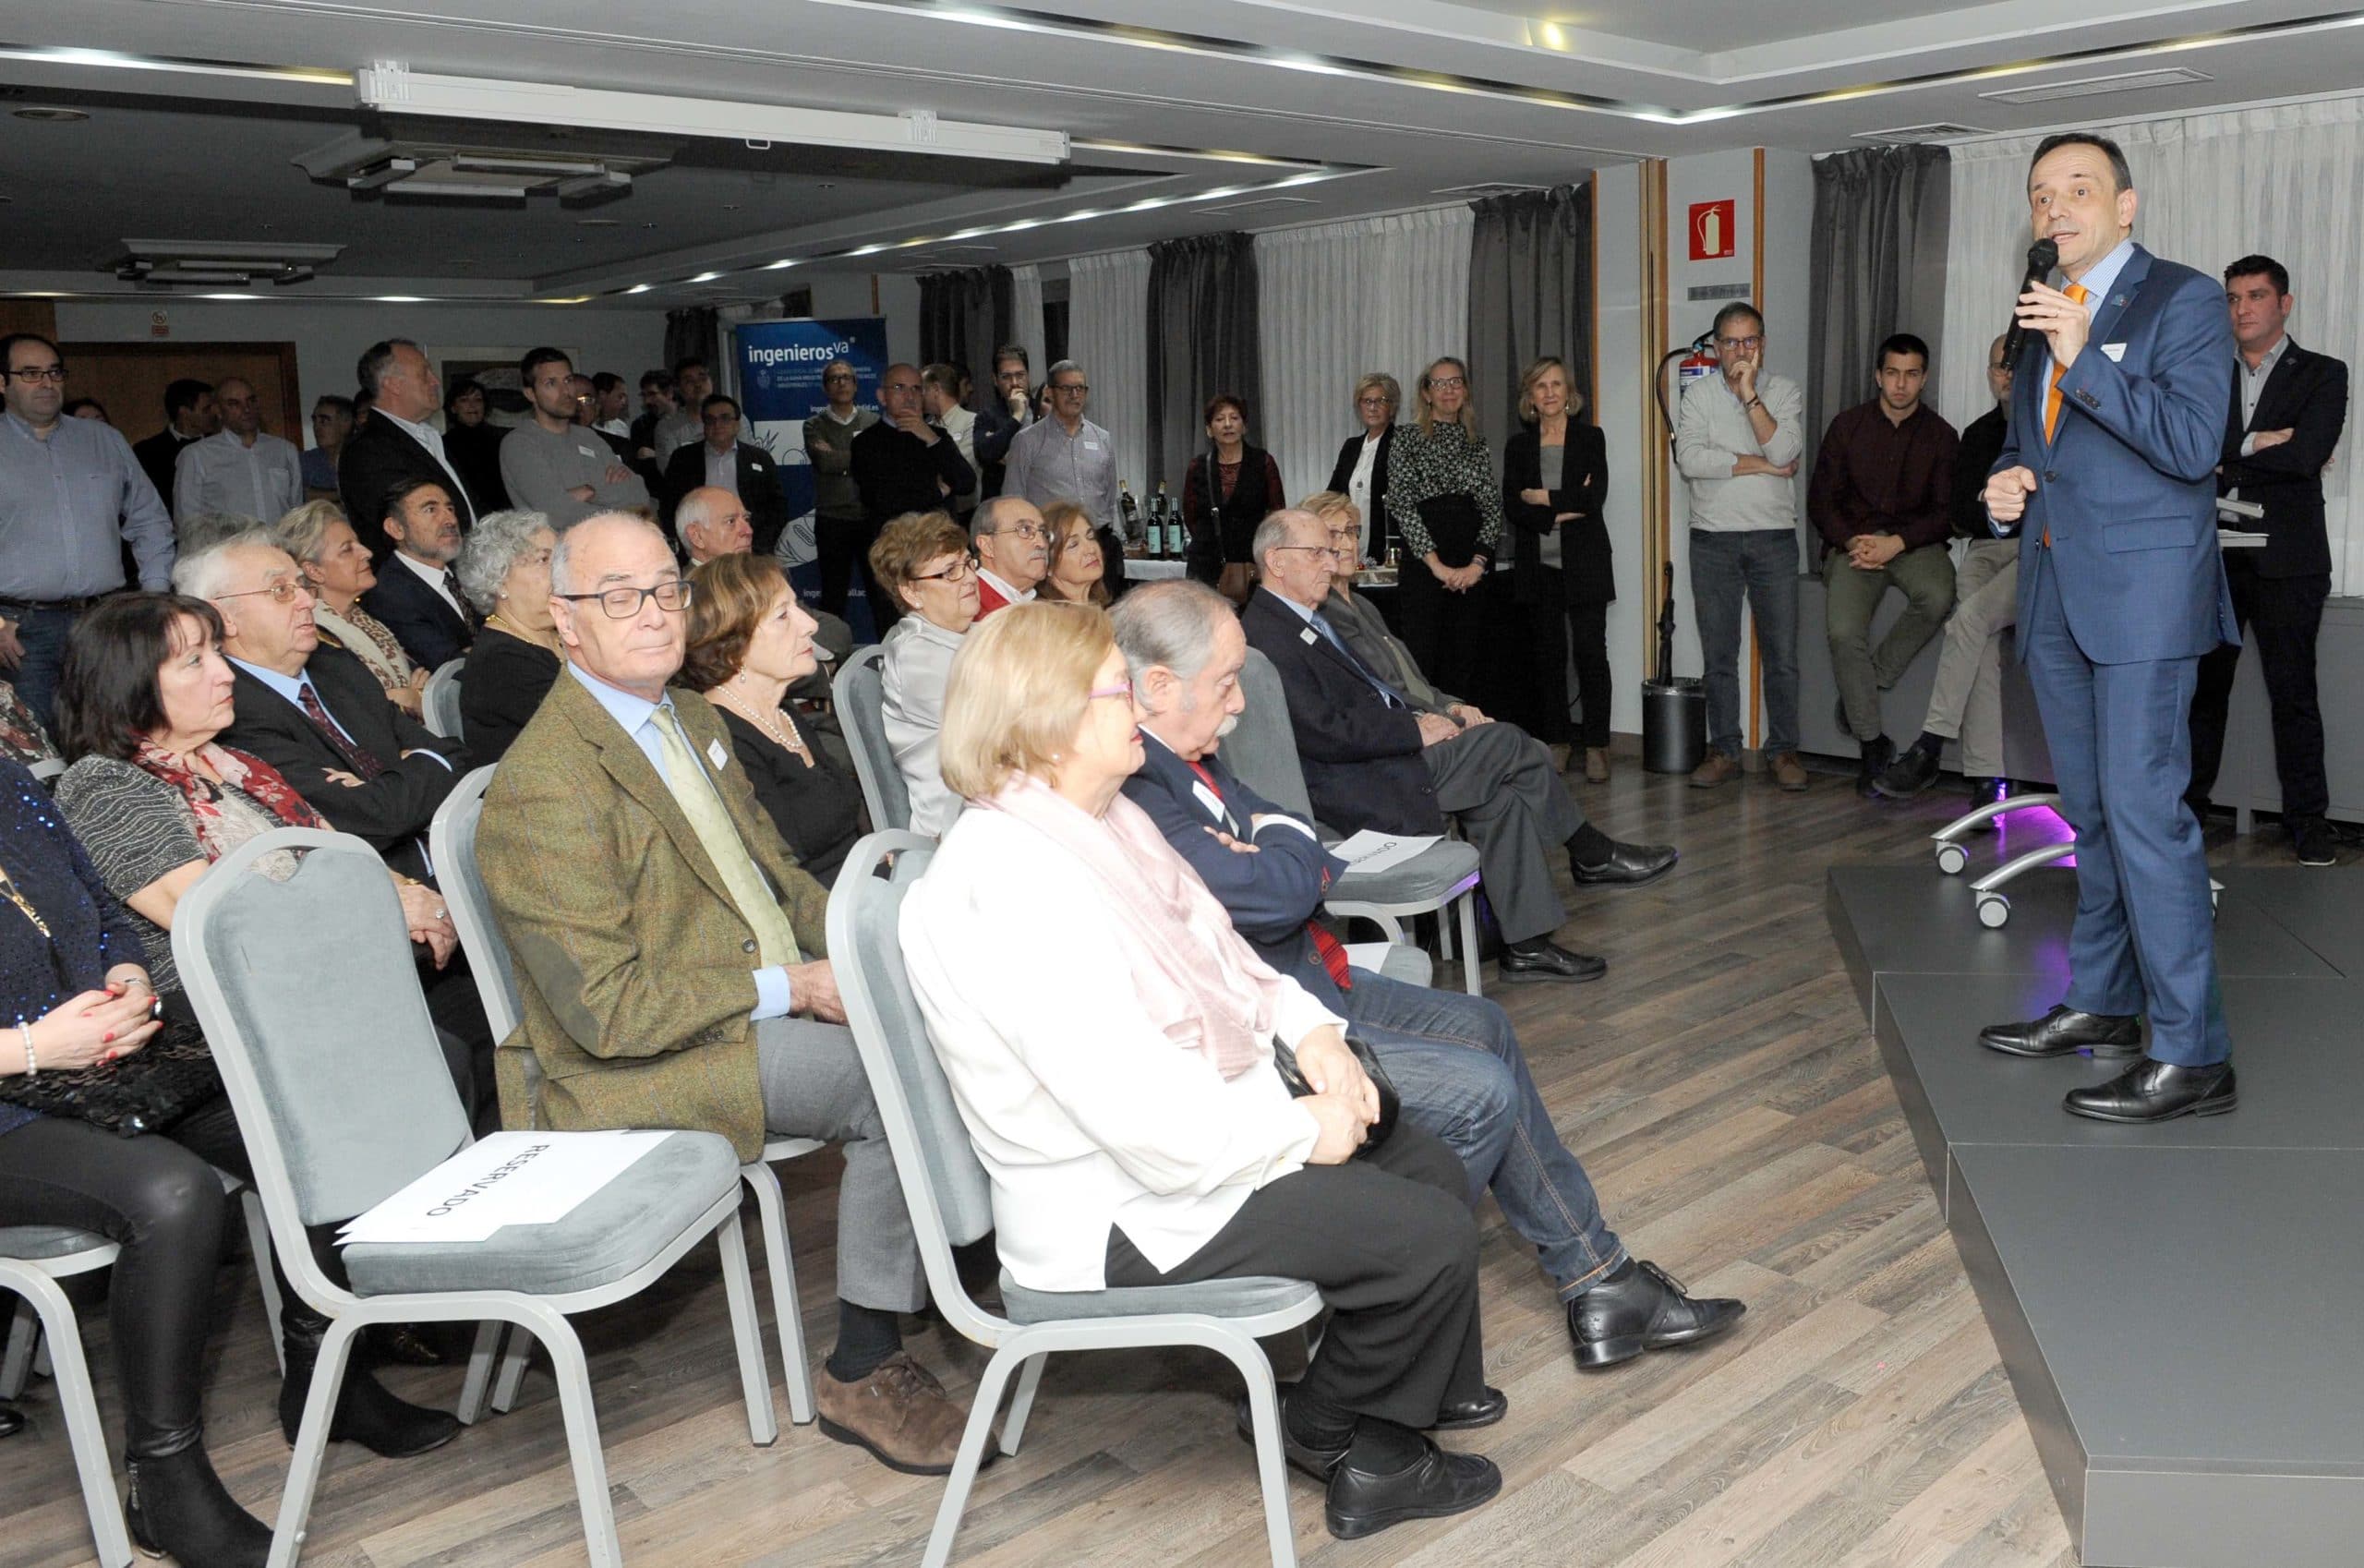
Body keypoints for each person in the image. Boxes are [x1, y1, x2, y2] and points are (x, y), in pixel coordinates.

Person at [900, 602, 1503, 1541]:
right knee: (1425, 1235)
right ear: (1050, 723)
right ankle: (1342, 1438)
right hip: (1114, 1206)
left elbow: (1229, 960)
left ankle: (1393, 1406)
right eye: (1118, 690)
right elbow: (1141, 1118)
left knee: (1422, 1161)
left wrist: (1316, 1038)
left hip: (1177, 1148)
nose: (1140, 706)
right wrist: (1301, 1128)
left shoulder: (1097, 824)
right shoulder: (1012, 880)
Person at [1116, 579, 1744, 1362]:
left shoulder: (1187, 757)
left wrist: (1277, 845)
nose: (1239, 703)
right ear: (1160, 685)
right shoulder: (1140, 782)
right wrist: (1280, 848)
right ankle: (1390, 1313)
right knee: (1483, 1089)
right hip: (1275, 1017)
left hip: (1308, 977)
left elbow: (1293, 837)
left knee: (1487, 1023)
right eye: (1226, 682)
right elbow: (1275, 890)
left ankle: (1594, 1279)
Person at [476, 511, 969, 1474]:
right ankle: (863, 1365)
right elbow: (607, 1012)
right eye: (620, 597)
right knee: (890, 1080)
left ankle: (969, 1263)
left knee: (953, 1010)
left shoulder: (690, 719)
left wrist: (886, 946)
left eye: (666, 590)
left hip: (732, 1001)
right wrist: (794, 986)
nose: (655, 614)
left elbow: (780, 881)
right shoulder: (545, 784)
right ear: (565, 621)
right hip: (629, 1062)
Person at [0, 752, 454, 1568]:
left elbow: (100, 912)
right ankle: (163, 1482)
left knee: (312, 1110)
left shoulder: (6, 779)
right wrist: (32, 1047)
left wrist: (126, 981)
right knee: (170, 1195)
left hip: (94, 1066)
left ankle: (328, 1380)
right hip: (15, 1097)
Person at [1975, 132, 2239, 1124]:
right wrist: (2005, 483)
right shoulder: (2043, 308)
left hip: (2142, 604)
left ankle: (2193, 1053)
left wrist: (2082, 353)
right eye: (2041, 194)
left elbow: (2190, 444)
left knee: (2144, 817)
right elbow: (2030, 442)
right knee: (2088, 814)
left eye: (2078, 190)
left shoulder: (2184, 300)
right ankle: (2103, 1000)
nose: (2056, 209)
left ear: (2125, 206)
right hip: (2054, 595)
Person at [1244, 509, 1672, 984]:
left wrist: (1432, 718)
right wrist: (1416, 731)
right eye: (1318, 552)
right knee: (1510, 745)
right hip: (1365, 782)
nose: (1331, 561)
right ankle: (1589, 852)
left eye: (1332, 549)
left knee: (1502, 796)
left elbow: (1374, 697)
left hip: (1382, 759)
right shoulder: (1270, 634)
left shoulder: (1299, 619)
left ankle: (1527, 947)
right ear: (1276, 561)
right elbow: (1325, 732)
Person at [2185, 254, 2351, 865]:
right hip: (2215, 557)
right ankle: (2187, 815)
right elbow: (2189, 449)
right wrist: (2257, 441)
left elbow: (2306, 456)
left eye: (2255, 296)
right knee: (2203, 693)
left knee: (2294, 695)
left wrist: (2226, 458)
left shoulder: (2324, 373)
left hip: (2290, 559)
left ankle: (2309, 824)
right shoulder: (2205, 372)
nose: (2242, 309)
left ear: (2284, 304)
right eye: (2232, 298)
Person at [1807, 332, 1960, 794]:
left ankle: (1867, 684)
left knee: (1939, 596)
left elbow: (1947, 514)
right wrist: (1850, 540)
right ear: (1878, 375)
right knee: (1842, 631)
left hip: (1914, 545)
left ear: (1924, 378)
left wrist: (1898, 543)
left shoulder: (1941, 436)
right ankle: (1872, 741)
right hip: (1854, 544)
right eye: (1892, 373)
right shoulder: (1847, 426)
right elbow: (1820, 501)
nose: (1901, 384)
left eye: (1911, 374)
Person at [0, 332, 177, 729]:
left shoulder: (104, 440)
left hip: (103, 622)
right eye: (30, 374)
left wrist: (153, 597)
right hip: (19, 632)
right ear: (2, 382)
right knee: (38, 747)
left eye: (54, 372)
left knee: (114, 735)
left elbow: (149, 520)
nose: (47, 383)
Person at [1876, 335, 2020, 804]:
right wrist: (2002, 508)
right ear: (1989, 373)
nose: (2007, 374)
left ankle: (1931, 744)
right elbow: (1961, 514)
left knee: (1968, 621)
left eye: (2015, 365)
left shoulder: (2050, 430)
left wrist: (1994, 506)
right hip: (1984, 551)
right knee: (1979, 641)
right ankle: (1987, 782)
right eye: (1999, 366)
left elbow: (2052, 512)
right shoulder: (1978, 435)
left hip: (2037, 554)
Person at [1675, 303, 1807, 790]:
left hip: (1773, 538)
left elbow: (1785, 449)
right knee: (1719, 656)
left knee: (1782, 655)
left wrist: (1750, 395)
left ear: (1762, 344)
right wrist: (1762, 466)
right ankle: (1725, 749)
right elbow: (1691, 460)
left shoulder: (1784, 391)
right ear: (1715, 348)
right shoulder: (1698, 395)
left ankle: (1783, 750)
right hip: (1713, 539)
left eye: (1749, 341)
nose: (1740, 351)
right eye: (1730, 342)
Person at [681, 552, 867, 882]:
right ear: (733, 644)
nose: (810, 626)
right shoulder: (725, 739)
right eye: (783, 615)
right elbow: (782, 878)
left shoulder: (783, 715)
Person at [1502, 356, 1612, 778]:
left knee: (1590, 654)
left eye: (1556, 385)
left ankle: (1598, 745)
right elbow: (1513, 505)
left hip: (1586, 564)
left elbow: (1594, 499)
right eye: (1540, 386)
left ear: (1569, 393)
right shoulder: (1518, 446)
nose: (1549, 393)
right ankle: (1559, 741)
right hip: (1539, 567)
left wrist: (1542, 498)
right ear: (1530, 397)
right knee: (1549, 657)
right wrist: (1563, 509)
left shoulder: (1590, 438)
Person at [1384, 357, 1502, 704]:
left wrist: (1476, 566)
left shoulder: (1476, 443)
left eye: (1456, 382)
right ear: (1426, 393)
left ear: (1465, 390)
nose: (1449, 390)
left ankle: (1464, 730)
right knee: (1422, 660)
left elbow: (1492, 508)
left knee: (1464, 661)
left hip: (1470, 568)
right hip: (1424, 567)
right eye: (1439, 383)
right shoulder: (1406, 438)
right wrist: (1437, 567)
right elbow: (1402, 504)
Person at [872, 512, 978, 838]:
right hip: (957, 825)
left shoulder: (970, 633)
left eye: (968, 563)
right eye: (950, 572)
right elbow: (992, 739)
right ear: (912, 593)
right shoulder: (916, 658)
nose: (969, 578)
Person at [850, 364, 977, 634]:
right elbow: (882, 499)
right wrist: (937, 492)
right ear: (882, 396)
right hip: (896, 558)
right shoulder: (865, 443)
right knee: (897, 633)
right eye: (899, 388)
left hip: (942, 557)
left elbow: (966, 483)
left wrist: (930, 438)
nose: (909, 396)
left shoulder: (937, 436)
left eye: (916, 389)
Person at [273, 499, 428, 719]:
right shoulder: (312, 636)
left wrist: (415, 698)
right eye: (347, 550)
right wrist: (408, 699)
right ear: (314, 571)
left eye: (359, 544)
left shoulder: (366, 620)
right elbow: (350, 710)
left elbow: (419, 685)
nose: (367, 553)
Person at [340, 339, 481, 557]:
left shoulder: (428, 437)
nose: (435, 381)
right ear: (394, 384)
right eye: (425, 374)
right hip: (423, 574)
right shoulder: (368, 450)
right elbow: (415, 528)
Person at [454, 511, 563, 766]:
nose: (562, 570)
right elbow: (592, 726)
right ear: (500, 582)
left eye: (560, 558)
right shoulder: (500, 662)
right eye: (544, 559)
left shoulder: (557, 632)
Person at [500, 348, 653, 528]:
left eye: (568, 380)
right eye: (551, 383)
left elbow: (639, 494)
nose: (566, 391)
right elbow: (558, 514)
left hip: (613, 540)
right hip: (562, 546)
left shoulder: (587, 436)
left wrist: (590, 491)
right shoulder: (520, 443)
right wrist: (615, 501)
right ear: (530, 394)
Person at [358, 476, 476, 672]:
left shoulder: (466, 569)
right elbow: (451, 667)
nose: (451, 520)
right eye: (431, 510)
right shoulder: (389, 596)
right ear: (396, 529)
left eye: (450, 508)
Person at [1180, 392, 1286, 600]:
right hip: (1206, 564)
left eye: (1234, 418)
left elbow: (1277, 513)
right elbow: (1191, 516)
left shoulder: (1263, 462)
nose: (1228, 424)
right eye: (1220, 419)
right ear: (1209, 429)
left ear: (1244, 426)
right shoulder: (1198, 466)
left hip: (1250, 564)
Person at [1001, 358, 1119, 537]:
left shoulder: (1102, 438)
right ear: (1049, 392)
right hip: (1051, 541)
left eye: (1080, 388)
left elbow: (1110, 497)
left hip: (1099, 539)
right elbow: (1013, 501)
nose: (1074, 394)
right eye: (1066, 388)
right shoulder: (1026, 441)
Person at [662, 395, 788, 554]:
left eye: (725, 418)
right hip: (700, 548)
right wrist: (684, 547)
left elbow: (777, 507)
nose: (717, 425)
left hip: (750, 548)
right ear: (704, 425)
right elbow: (669, 505)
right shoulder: (683, 458)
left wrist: (759, 546)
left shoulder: (759, 458)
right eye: (710, 420)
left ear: (737, 424)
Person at [174, 377, 303, 525]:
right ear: (218, 410)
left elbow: (297, 513)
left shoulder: (284, 450)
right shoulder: (196, 455)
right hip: (227, 540)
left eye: (251, 401)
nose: (246, 409)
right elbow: (187, 521)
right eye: (234, 404)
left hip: (277, 539)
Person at [804, 362, 877, 623]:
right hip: (832, 520)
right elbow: (825, 463)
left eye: (847, 377)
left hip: (869, 517)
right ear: (826, 388)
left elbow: (876, 463)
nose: (841, 383)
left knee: (880, 592)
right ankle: (831, 647)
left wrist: (841, 457)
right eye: (834, 379)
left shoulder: (873, 421)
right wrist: (860, 456)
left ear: (856, 385)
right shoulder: (813, 425)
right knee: (833, 596)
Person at [1327, 372, 1401, 566]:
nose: (1373, 407)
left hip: (1387, 546)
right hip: (1350, 545)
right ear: (1359, 406)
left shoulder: (1401, 444)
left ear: (1392, 406)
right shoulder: (1351, 446)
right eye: (1367, 401)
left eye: (1380, 401)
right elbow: (1333, 494)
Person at [133, 378, 218, 511]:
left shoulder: (220, 446)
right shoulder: (147, 452)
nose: (215, 414)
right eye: (206, 409)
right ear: (184, 412)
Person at [440, 377, 512, 514]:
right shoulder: (443, 445)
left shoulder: (502, 439)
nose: (472, 405)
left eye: (478, 400)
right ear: (453, 407)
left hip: (503, 513)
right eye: (464, 400)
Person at [970, 494, 1049, 618]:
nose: (1042, 543)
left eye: (1042, 532)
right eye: (1025, 529)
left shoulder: (1041, 605)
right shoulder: (968, 607)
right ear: (987, 546)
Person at [919, 363, 980, 520]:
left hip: (965, 515)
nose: (918, 396)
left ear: (936, 389)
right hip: (933, 516)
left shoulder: (972, 422)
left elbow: (962, 470)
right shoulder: (925, 427)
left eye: (922, 390)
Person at [971, 344, 1028, 501]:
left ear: (1028, 375)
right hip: (1000, 501)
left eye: (1020, 375)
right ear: (995, 380)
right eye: (1006, 377)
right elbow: (986, 454)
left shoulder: (1042, 411)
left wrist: (1005, 450)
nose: (1014, 383)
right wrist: (1017, 416)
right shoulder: (987, 416)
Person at [1036, 501, 1111, 608]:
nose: (1091, 549)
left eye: (1091, 537)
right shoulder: (1046, 616)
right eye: (1073, 545)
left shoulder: (1097, 609)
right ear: (1048, 566)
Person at [650, 356, 714, 467]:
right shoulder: (667, 427)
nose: (698, 385)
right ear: (679, 389)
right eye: (689, 381)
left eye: (703, 378)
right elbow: (671, 470)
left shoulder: (735, 419)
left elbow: (744, 461)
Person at [676, 484, 755, 569]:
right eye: (731, 521)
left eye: (746, 519)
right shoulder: (693, 578)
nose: (749, 531)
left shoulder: (759, 573)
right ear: (697, 536)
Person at [302, 393, 356, 499]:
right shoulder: (304, 461)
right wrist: (341, 496)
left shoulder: (364, 459)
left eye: (324, 421)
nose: (316, 427)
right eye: (314, 421)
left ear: (346, 424)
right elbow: (296, 494)